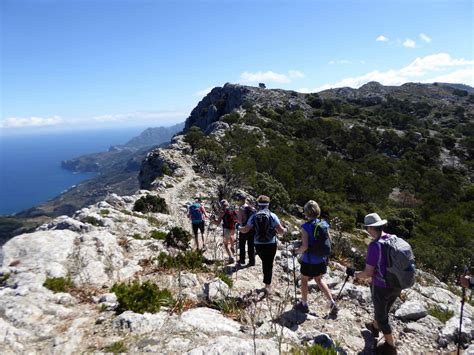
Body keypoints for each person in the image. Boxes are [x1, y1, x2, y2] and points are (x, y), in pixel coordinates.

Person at [346, 212, 400, 355]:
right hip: (398, 283)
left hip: (382, 286)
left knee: (383, 317)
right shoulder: (393, 239)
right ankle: (374, 327)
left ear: (370, 228)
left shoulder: (375, 246)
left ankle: (390, 346)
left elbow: (367, 273)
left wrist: (354, 274)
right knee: (383, 310)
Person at [294, 200, 337, 314]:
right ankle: (332, 302)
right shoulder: (324, 224)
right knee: (319, 280)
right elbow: (329, 240)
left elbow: (305, 246)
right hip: (321, 259)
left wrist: (296, 251)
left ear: (306, 213)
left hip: (309, 260)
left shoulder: (305, 227)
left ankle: (304, 304)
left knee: (304, 280)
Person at [239, 195, 286, 295]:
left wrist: (238, 227)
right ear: (268, 204)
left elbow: (245, 230)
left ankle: (267, 283)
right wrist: (285, 230)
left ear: (258, 204)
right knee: (268, 264)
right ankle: (267, 286)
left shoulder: (254, 216)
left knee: (265, 261)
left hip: (258, 244)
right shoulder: (272, 216)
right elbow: (281, 231)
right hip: (271, 243)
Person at [214, 199, 238, 263]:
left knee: (226, 244)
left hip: (226, 228)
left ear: (221, 205)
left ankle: (231, 257)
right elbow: (237, 218)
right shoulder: (233, 209)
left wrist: (213, 220)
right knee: (231, 237)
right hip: (233, 228)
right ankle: (232, 248)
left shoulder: (222, 211)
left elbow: (217, 223)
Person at [237, 195, 255, 267]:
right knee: (251, 246)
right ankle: (252, 261)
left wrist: (240, 228)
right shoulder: (252, 208)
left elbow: (240, 220)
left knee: (242, 245)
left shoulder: (241, 208)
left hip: (244, 228)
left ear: (241, 200)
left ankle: (242, 260)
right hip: (252, 229)